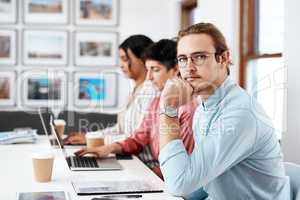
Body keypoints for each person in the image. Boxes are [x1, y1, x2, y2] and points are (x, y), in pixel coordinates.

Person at [158, 22, 290, 199]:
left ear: (224, 58)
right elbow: (203, 182)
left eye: (199, 57)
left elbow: (179, 184)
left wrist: (168, 110)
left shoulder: (240, 113)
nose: (188, 68)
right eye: (182, 59)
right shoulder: (202, 109)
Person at [74, 39, 196, 180]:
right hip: (156, 173)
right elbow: (138, 138)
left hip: (172, 181)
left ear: (176, 70)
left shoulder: (188, 109)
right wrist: (109, 148)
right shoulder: (158, 101)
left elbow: (179, 168)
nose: (149, 77)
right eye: (148, 69)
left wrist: (142, 178)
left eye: (155, 70)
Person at [63, 35, 156, 145]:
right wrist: (89, 136)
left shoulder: (150, 93)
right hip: (129, 155)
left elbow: (135, 137)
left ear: (144, 59)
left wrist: (95, 140)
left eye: (125, 59)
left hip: (141, 160)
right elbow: (120, 129)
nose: (121, 65)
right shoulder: (134, 91)